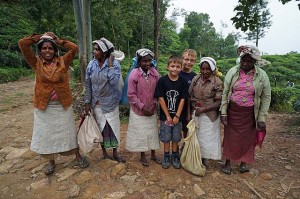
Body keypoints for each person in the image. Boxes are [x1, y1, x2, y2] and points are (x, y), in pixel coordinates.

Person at [18, 32, 89, 175]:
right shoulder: (36, 62)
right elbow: (22, 44)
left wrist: (58, 40)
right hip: (45, 107)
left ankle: (77, 156)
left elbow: (74, 48)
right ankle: (51, 162)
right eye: (44, 48)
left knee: (69, 133)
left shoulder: (63, 61)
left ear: (55, 50)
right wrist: (37, 38)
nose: (47, 51)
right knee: (47, 136)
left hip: (63, 105)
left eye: (50, 48)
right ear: (40, 51)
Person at [220, 45, 271, 174]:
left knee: (247, 139)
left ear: (254, 62)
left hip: (250, 114)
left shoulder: (262, 75)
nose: (245, 63)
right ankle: (227, 162)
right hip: (233, 112)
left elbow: (266, 97)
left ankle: (244, 162)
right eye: (243, 60)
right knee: (230, 138)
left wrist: (261, 117)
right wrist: (224, 112)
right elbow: (225, 92)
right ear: (240, 59)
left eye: (249, 61)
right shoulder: (232, 72)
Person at [84, 37, 125, 163]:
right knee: (101, 128)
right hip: (96, 103)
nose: (94, 52)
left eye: (97, 50)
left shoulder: (115, 65)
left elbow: (113, 82)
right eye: (94, 49)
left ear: (105, 52)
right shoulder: (91, 65)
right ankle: (104, 153)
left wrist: (111, 65)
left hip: (110, 103)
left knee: (112, 128)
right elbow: (88, 84)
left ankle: (115, 152)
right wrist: (87, 102)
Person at [125, 49, 161, 167]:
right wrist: (143, 107)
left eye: (149, 61)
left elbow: (158, 91)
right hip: (139, 111)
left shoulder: (154, 73)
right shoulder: (134, 74)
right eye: (144, 61)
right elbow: (131, 95)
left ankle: (153, 154)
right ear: (139, 61)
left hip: (152, 109)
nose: (147, 63)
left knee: (152, 133)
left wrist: (154, 104)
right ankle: (142, 156)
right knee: (141, 134)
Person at [154, 55, 189, 169]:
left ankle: (175, 155)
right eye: (172, 66)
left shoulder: (183, 82)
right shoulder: (162, 81)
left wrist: (177, 115)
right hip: (165, 117)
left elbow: (183, 99)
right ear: (167, 67)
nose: (175, 69)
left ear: (181, 68)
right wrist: (168, 116)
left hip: (178, 117)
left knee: (175, 136)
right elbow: (160, 98)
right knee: (166, 136)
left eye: (178, 66)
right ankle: (166, 155)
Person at [189, 57, 223, 168]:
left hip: (210, 115)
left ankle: (205, 159)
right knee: (197, 137)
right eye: (202, 69)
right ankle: (196, 157)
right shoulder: (196, 79)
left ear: (212, 69)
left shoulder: (217, 82)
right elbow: (190, 96)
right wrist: (190, 112)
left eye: (207, 69)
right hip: (196, 113)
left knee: (207, 138)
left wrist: (203, 109)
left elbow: (218, 102)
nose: (205, 71)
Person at [179, 49, 197, 143]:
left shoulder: (195, 77)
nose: (188, 62)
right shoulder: (176, 73)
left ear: (195, 61)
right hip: (177, 106)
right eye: (186, 59)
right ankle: (176, 150)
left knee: (187, 128)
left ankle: (186, 147)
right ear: (182, 59)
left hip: (189, 107)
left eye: (191, 60)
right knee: (176, 129)